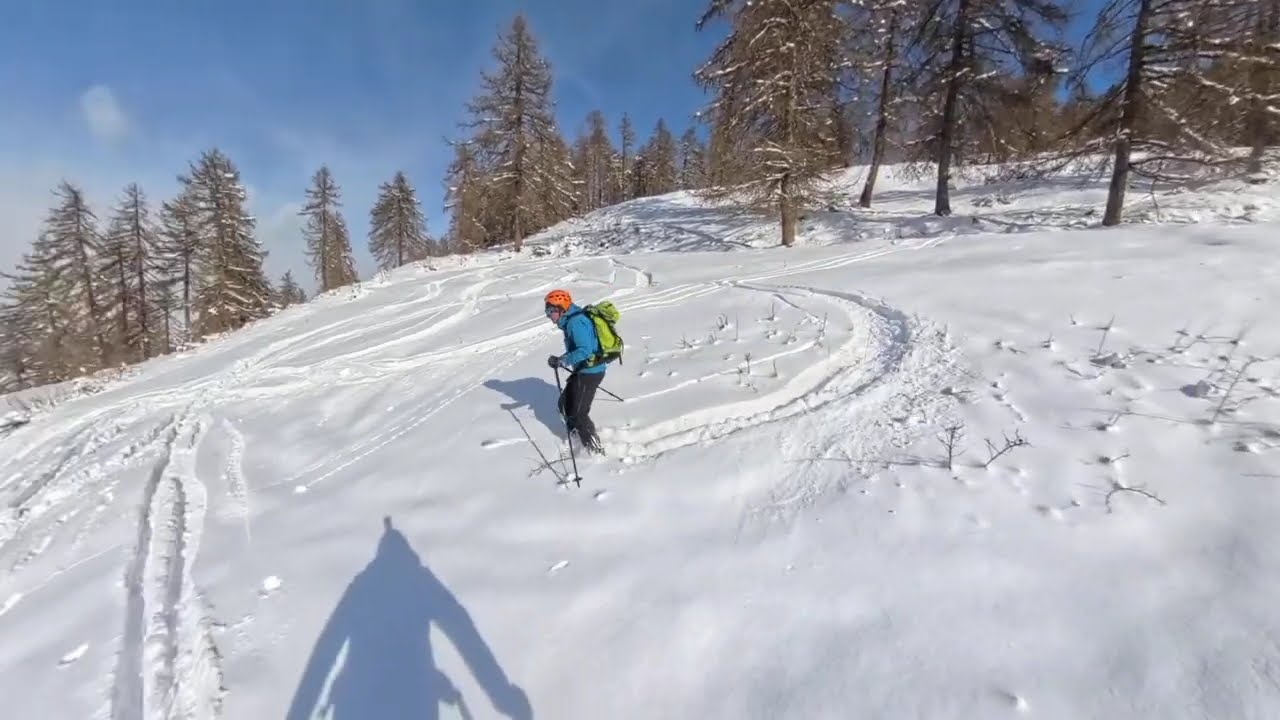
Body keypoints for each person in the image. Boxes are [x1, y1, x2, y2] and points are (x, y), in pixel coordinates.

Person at [544, 289, 605, 455]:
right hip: (583, 370)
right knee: (564, 405)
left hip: (590, 372)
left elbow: (585, 350)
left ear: (561, 309)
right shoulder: (571, 320)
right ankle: (576, 437)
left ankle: (595, 450)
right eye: (547, 311)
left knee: (578, 414)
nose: (548, 315)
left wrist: (562, 360)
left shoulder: (576, 322)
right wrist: (562, 359)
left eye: (550, 311)